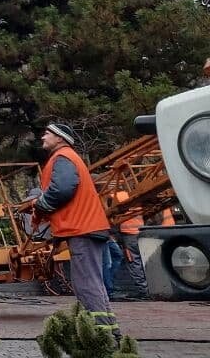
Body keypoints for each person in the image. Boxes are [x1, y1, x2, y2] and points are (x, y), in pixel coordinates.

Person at [32, 122, 121, 346]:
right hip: (88, 228)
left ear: (60, 138)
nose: (43, 136)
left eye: (48, 133)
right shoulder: (67, 157)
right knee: (93, 282)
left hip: (82, 229)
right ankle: (110, 331)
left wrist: (41, 204)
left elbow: (62, 189)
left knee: (86, 284)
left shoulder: (62, 157)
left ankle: (101, 336)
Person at [111, 190, 148, 299]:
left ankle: (143, 290)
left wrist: (117, 237)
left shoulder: (114, 196)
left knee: (134, 262)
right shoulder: (137, 194)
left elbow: (114, 220)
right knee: (144, 261)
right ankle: (149, 288)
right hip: (142, 232)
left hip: (128, 235)